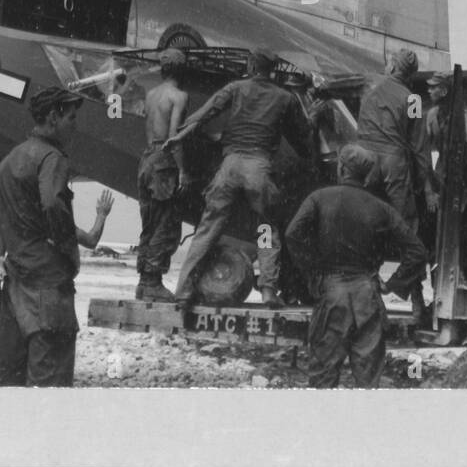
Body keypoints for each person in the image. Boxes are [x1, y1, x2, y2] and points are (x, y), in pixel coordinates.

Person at [165, 48, 313, 310]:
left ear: (251, 65)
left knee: (208, 228)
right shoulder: (284, 97)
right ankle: (268, 290)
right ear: (273, 69)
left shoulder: (235, 88)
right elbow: (301, 136)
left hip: (230, 165)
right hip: (259, 166)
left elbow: (206, 112)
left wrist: (181, 134)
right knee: (267, 228)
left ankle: (184, 290)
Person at [0, 87, 113, 387]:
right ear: (52, 117)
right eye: (71, 117)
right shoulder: (53, 158)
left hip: (15, 288)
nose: (75, 125)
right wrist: (65, 248)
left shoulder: (11, 158)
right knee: (51, 386)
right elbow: (52, 203)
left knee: (8, 384)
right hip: (48, 290)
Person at [285, 145, 429, 388]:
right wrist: (393, 283)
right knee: (368, 382)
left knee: (323, 378)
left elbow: (292, 234)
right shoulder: (381, 208)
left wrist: (313, 274)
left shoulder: (319, 198)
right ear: (367, 175)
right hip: (368, 298)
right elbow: (417, 251)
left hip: (332, 295)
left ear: (341, 167)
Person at [356, 48, 439, 322]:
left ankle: (364, 291)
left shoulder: (370, 88)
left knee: (365, 227)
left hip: (365, 160)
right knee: (408, 230)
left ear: (392, 66)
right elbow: (419, 147)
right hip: (394, 161)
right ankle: (414, 302)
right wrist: (427, 187)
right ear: (411, 74)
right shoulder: (413, 98)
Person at [135, 48, 191, 301]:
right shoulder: (179, 96)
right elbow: (173, 137)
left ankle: (144, 282)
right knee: (165, 223)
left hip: (146, 158)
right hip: (163, 161)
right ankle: (153, 282)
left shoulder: (151, 95)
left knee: (148, 223)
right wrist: (182, 170)